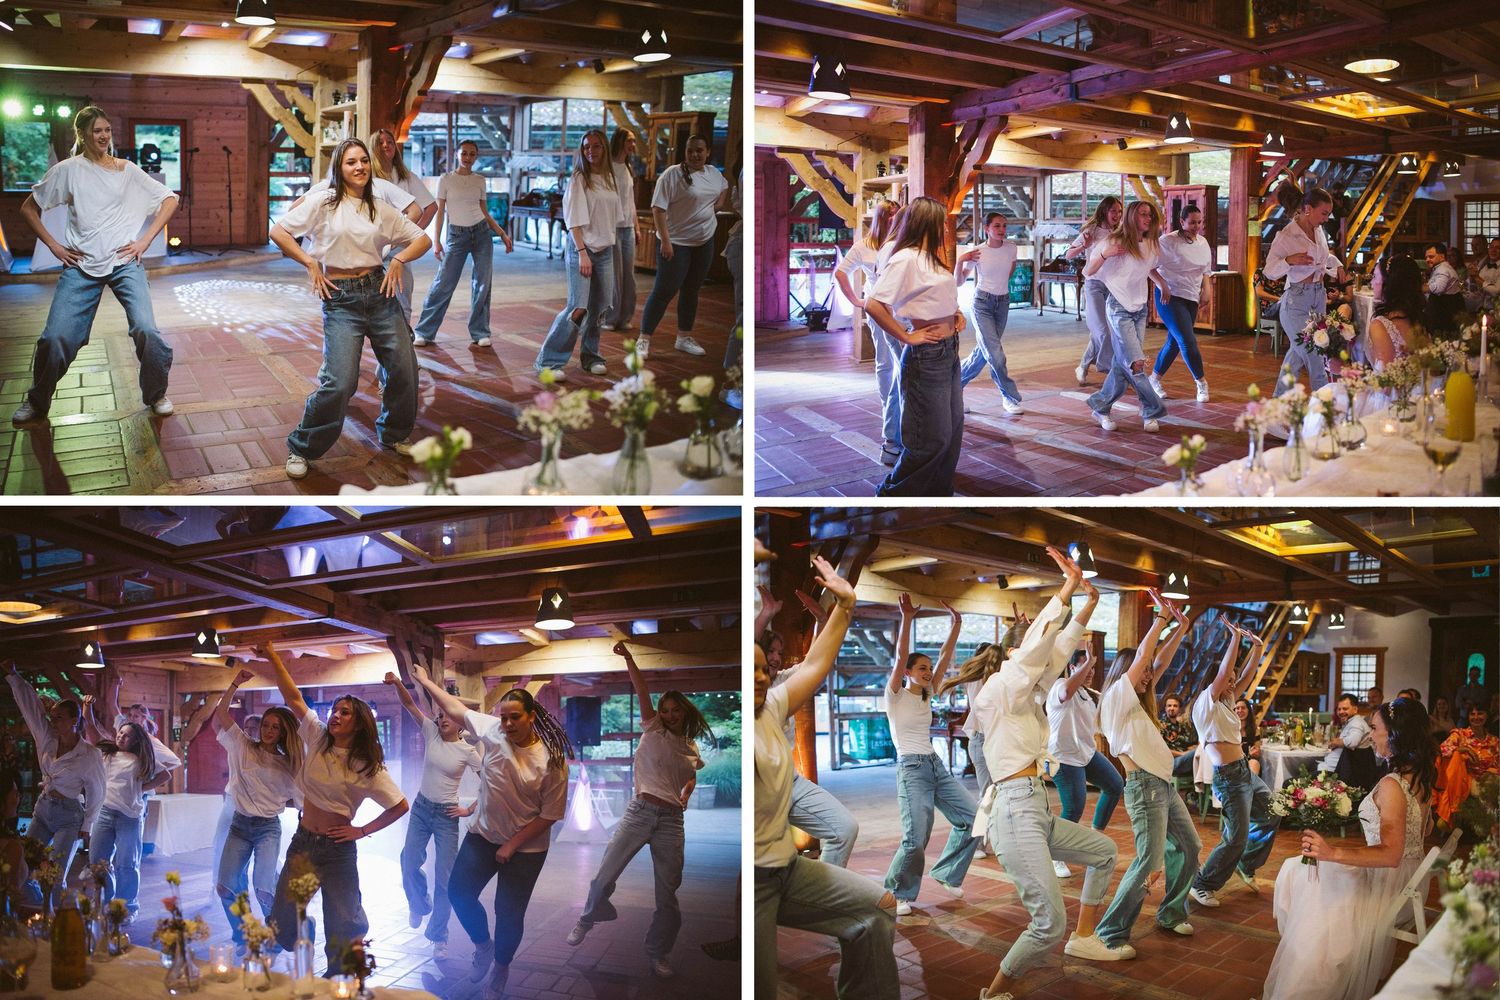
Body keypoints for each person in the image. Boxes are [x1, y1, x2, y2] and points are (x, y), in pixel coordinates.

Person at [972, 547, 1126, 1000]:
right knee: (1046, 924)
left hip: (1034, 807)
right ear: (1017, 654)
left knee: (1103, 851)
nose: (1047, 662)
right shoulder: (1003, 687)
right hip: (1014, 813)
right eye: (1032, 654)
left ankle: (1084, 938)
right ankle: (993, 993)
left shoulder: (1027, 691)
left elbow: (1054, 652)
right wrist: (1066, 589)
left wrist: (1088, 604)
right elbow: (1041, 646)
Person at [755, 556, 898, 1000]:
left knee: (878, 910)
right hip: (757, 878)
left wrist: (846, 605)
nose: (763, 674)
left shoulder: (773, 705)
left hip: (790, 868)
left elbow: (817, 662)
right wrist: (760, 612)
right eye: (753, 667)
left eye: (765, 667)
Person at [269, 137, 433, 480]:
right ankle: (302, 446)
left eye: (362, 161)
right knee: (340, 382)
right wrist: (309, 263)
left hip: (380, 292)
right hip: (341, 298)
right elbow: (279, 231)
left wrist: (400, 258)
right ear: (339, 169)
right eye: (350, 162)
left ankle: (394, 433)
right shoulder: (323, 202)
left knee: (405, 368)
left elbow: (423, 238)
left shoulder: (380, 206)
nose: (359, 167)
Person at [409, 666, 571, 1000]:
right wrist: (426, 683)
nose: (508, 724)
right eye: (504, 717)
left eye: (515, 717)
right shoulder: (494, 731)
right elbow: (456, 709)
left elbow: (550, 815)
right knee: (458, 892)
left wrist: (512, 844)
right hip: (483, 835)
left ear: (531, 717)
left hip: (526, 848)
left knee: (508, 912)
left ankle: (501, 966)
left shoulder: (551, 761)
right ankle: (484, 947)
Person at [12, 105, 178, 425]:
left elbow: (170, 199)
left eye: (107, 130)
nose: (103, 136)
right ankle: (37, 400)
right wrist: (55, 246)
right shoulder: (67, 170)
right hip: (82, 264)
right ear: (83, 134)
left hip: (123, 261)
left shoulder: (126, 169)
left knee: (147, 330)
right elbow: (28, 209)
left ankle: (156, 393)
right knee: (56, 338)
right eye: (96, 131)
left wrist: (144, 242)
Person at [1262, 698, 1436, 1000]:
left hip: (1388, 885)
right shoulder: (1419, 778)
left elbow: (1390, 854)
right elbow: (1425, 831)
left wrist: (1332, 854)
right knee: (1297, 869)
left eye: (1375, 729)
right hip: (1406, 882)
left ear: (1394, 734)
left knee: (1308, 885)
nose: (1370, 736)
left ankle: (1307, 974)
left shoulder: (1393, 785)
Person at [262, 642, 411, 975]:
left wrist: (361, 831)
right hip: (305, 844)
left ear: (358, 724)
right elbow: (294, 698)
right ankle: (308, 932)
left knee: (344, 925)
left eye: (345, 713)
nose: (336, 715)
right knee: (283, 921)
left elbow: (400, 805)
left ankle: (336, 979)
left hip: (338, 849)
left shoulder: (365, 765)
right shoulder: (317, 738)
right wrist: (273, 655)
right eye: (336, 710)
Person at [568, 642, 710, 978]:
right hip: (640, 812)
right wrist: (629, 658)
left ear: (685, 712)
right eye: (666, 709)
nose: (670, 714)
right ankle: (588, 917)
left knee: (668, 896)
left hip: (671, 821)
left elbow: (689, 778)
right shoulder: (652, 727)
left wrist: (686, 795)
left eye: (676, 710)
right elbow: (641, 687)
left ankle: (658, 952)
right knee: (603, 877)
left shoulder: (690, 747)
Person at [1094, 595, 1202, 947]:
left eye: (1150, 675)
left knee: (1189, 846)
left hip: (1164, 788)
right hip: (1144, 789)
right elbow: (1144, 658)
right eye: (1142, 674)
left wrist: (1181, 627)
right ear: (1126, 673)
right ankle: (1110, 932)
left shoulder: (1138, 707)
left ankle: (1171, 913)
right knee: (1147, 863)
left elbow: (1157, 661)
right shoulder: (1116, 699)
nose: (1149, 677)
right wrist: (1159, 620)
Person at [866, 197, 968, 496]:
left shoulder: (930, 257)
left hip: (948, 349)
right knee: (930, 439)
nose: (946, 228)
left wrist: (956, 314)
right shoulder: (905, 258)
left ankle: (939, 492)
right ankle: (890, 494)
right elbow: (874, 304)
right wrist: (907, 336)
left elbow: (940, 296)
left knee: (952, 431)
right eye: (942, 222)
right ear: (928, 222)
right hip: (927, 354)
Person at [883, 594, 975, 916]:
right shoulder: (894, 695)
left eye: (929, 669)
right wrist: (907, 618)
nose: (928, 672)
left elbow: (945, 654)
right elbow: (899, 656)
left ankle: (948, 873)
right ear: (907, 672)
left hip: (935, 766)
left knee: (974, 818)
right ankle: (897, 893)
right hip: (911, 768)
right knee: (916, 837)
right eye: (921, 668)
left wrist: (957, 624)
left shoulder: (927, 693)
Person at [756, 590, 861, 867]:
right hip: (761, 790)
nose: (776, 657)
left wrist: (823, 619)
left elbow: (818, 659)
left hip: (790, 781)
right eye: (770, 651)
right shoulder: (755, 689)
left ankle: (824, 898)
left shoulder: (786, 682)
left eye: (779, 652)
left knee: (844, 829)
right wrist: (766, 614)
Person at [383, 670, 480, 959]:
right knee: (408, 860)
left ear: (459, 721)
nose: (441, 719)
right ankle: (418, 904)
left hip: (447, 817)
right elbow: (410, 706)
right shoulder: (432, 734)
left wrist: (468, 809)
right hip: (422, 809)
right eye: (439, 716)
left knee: (446, 879)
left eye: (447, 716)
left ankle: (439, 935)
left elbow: (492, 780)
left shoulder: (468, 751)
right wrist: (398, 683)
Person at [211, 671, 300, 955]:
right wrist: (235, 682)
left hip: (266, 829)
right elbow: (222, 712)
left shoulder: (290, 764)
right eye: (266, 724)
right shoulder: (242, 745)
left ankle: (276, 933)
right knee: (225, 886)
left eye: (275, 727)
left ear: (283, 732)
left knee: (264, 889)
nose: (268, 730)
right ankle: (245, 936)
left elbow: (299, 800)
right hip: (239, 825)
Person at [1190, 622, 1277, 908]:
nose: (1232, 683)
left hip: (1243, 772)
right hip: (1229, 778)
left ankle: (1246, 863)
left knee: (1272, 812)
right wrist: (1235, 638)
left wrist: (1259, 648)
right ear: (1216, 679)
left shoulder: (1227, 702)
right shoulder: (1206, 703)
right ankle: (1202, 885)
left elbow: (1247, 675)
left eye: (1233, 680)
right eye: (1228, 679)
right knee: (1235, 839)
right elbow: (1225, 672)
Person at [5, 661, 105, 901]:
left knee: (55, 871)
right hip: (43, 808)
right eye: (52, 717)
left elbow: (97, 791)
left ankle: (56, 917)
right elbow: (30, 709)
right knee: (24, 864)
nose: (53, 722)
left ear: (74, 720)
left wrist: (87, 825)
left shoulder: (89, 755)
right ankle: (32, 908)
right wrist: (14, 676)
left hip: (69, 816)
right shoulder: (46, 738)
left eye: (59, 718)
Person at [535, 129, 620, 380]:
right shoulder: (579, 179)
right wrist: (582, 253)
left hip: (605, 250)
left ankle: (591, 356)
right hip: (581, 248)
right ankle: (548, 361)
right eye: (586, 147)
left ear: (604, 148)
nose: (590, 151)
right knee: (578, 307)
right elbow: (572, 220)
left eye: (596, 146)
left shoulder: (610, 178)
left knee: (599, 307)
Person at [412, 139, 513, 348]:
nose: (468, 158)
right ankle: (424, 331)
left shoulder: (480, 180)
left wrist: (502, 233)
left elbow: (485, 212)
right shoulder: (446, 179)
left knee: (483, 283)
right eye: (464, 153)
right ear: (457, 154)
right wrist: (436, 241)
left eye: (472, 154)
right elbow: (440, 212)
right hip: (457, 236)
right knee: (444, 283)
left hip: (482, 234)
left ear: (476, 157)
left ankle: (480, 332)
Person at [1083, 200, 1171, 433]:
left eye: (1150, 215)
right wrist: (1103, 253)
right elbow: (1088, 271)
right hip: (1118, 309)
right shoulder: (1114, 241)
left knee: (1122, 365)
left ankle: (1101, 407)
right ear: (1132, 217)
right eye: (1143, 214)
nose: (1148, 218)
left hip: (1140, 309)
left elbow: (1148, 267)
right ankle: (1152, 409)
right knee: (1136, 364)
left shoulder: (1151, 243)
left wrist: (1162, 284)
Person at [637, 134, 728, 360]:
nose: (695, 154)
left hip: (703, 242)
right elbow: (658, 209)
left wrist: (716, 205)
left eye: (699, 150)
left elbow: (723, 189)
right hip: (675, 242)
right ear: (684, 152)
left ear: (707, 152)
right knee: (664, 291)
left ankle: (683, 337)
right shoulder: (672, 175)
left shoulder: (714, 173)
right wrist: (665, 241)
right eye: (690, 150)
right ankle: (643, 339)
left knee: (691, 291)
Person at [1045, 640, 1123, 879]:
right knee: (1074, 808)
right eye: (1083, 668)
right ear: (1071, 668)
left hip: (1087, 755)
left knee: (1115, 785)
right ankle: (1054, 855)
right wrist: (1089, 660)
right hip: (1063, 757)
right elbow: (1067, 692)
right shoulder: (1059, 687)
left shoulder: (1089, 696)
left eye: (1091, 670)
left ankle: (1095, 834)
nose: (1089, 674)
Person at [834, 199, 903, 466]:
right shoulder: (864, 246)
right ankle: (889, 410)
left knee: (902, 364)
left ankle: (897, 418)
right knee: (885, 362)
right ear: (882, 218)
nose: (895, 220)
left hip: (900, 309)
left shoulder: (901, 244)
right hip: (877, 308)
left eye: (899, 215)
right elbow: (841, 273)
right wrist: (855, 300)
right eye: (891, 216)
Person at [1264, 184, 1346, 395]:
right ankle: (1325, 409)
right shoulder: (1286, 236)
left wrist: (1337, 265)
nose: (1327, 218)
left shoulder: (1319, 231)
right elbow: (1270, 270)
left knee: (1297, 353)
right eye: (1324, 213)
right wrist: (1289, 260)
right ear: (1308, 208)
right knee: (1315, 353)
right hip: (1296, 302)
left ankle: (1278, 401)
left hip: (1318, 298)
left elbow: (1324, 257)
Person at [90, 720, 177, 919]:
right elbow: (93, 731)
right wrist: (87, 710)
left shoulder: (141, 759)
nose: (121, 737)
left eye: (127, 735)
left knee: (127, 865)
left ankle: (126, 908)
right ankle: (104, 902)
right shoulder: (108, 753)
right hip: (104, 813)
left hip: (129, 817)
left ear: (136, 740)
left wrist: (141, 789)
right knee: (97, 862)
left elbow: (166, 775)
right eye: (120, 733)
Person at [955, 213, 1024, 414]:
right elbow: (959, 282)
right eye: (996, 226)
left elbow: (1008, 274)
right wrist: (960, 260)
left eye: (1004, 226)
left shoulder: (1012, 248)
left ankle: (954, 385)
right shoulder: (977, 252)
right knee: (995, 354)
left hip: (1002, 303)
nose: (1002, 230)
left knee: (984, 352)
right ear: (986, 229)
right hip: (982, 304)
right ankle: (1009, 396)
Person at [1148, 205, 1215, 403]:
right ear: (1182, 221)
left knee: (1174, 342)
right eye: (1192, 222)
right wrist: (1163, 286)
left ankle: (1154, 379)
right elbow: (1150, 268)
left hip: (1191, 297)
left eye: (1199, 222)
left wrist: (1207, 290)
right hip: (1169, 298)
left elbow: (1205, 271)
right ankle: (1201, 382)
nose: (1196, 226)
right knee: (1187, 340)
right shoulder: (1167, 241)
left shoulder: (1202, 242)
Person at [1066, 196, 1124, 386]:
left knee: (1106, 332)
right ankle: (1110, 370)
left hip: (1114, 286)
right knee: (1102, 331)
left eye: (1119, 211)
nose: (1117, 214)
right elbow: (1068, 254)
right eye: (1113, 210)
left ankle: (1083, 365)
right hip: (1094, 284)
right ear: (1105, 211)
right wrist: (1085, 245)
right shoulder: (1091, 230)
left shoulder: (1122, 230)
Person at [603, 128, 641, 332]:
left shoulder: (627, 167)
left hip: (628, 228)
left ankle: (625, 316)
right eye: (630, 141)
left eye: (634, 141)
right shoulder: (608, 168)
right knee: (615, 276)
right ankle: (610, 317)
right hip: (613, 228)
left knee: (629, 276)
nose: (633, 145)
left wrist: (637, 226)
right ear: (620, 142)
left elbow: (631, 201)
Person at [1434, 704, 1498, 825]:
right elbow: (1442, 750)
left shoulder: (1494, 741)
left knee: (1492, 784)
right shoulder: (1460, 734)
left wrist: (1490, 772)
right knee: (1458, 756)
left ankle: (1489, 829)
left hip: (1488, 778)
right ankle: (1453, 809)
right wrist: (1462, 749)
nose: (1476, 717)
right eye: (1472, 714)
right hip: (1463, 779)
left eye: (1480, 713)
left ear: (1487, 716)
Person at [1423, 242, 1464, 333]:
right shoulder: (1441, 267)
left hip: (1444, 312)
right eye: (1426, 257)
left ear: (1442, 257)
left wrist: (1420, 288)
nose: (1427, 259)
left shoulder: (1443, 269)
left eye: (1431, 257)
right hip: (1445, 309)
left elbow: (1439, 288)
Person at [1160, 694, 1198, 779]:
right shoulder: (1161, 726)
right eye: (1169, 706)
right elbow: (1161, 750)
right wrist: (1182, 754)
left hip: (1184, 760)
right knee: (1200, 751)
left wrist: (1191, 749)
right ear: (1165, 708)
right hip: (1171, 763)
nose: (1172, 708)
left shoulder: (1182, 727)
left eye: (1175, 706)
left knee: (1204, 749)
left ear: (1180, 709)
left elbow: (1191, 744)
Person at [1234, 697, 1263, 776]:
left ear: (1248, 711)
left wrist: (1255, 753)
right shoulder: (1230, 729)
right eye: (1237, 708)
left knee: (1254, 763)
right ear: (1234, 711)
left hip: (1249, 762)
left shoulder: (1255, 730)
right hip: (1233, 763)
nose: (1240, 710)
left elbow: (1257, 751)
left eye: (1243, 708)